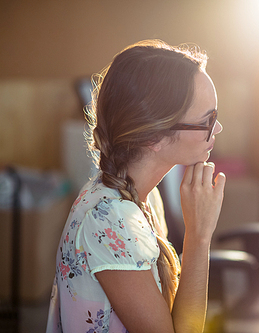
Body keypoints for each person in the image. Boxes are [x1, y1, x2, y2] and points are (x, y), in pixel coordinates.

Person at [46, 39, 226, 333]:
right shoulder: (111, 221)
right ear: (153, 137)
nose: (217, 129)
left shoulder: (144, 198)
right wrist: (199, 237)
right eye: (208, 120)